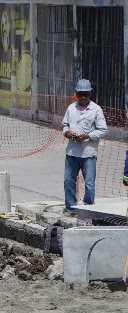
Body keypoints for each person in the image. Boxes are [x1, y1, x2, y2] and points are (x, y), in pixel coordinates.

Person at [61, 79, 107, 216]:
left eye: (85, 95)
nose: (82, 98)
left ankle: (88, 209)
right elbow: (65, 125)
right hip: (72, 152)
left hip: (88, 152)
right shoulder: (71, 108)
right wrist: (67, 133)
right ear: (76, 94)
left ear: (90, 94)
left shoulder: (96, 109)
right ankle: (70, 207)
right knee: (69, 181)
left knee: (89, 183)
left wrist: (87, 136)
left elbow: (103, 130)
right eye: (80, 94)